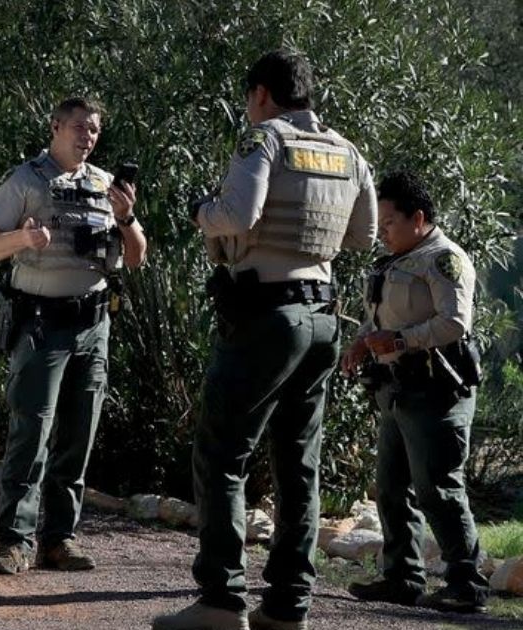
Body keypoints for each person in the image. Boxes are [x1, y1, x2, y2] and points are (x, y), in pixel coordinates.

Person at [153, 49, 377, 630]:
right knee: (299, 465)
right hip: (323, 319)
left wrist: (204, 211)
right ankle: (287, 607)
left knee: (222, 454)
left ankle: (221, 601)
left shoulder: (265, 140)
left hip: (267, 318)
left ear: (260, 94)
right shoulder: (347, 151)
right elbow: (365, 234)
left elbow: (239, 213)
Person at [0, 97, 146, 575]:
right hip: (42, 324)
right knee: (31, 432)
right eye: (78, 127)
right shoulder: (25, 181)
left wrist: (127, 218)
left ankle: (59, 539)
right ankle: (14, 541)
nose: (87, 137)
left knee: (78, 436)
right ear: (55, 127)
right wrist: (23, 239)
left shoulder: (106, 187)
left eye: (93, 130)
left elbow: (137, 257)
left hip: (93, 325)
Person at [343, 171, 491, 614]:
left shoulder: (443, 259)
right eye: (381, 223)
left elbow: (454, 322)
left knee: (438, 488)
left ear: (419, 218)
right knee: (391, 487)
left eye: (390, 222)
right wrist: (363, 341)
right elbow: (383, 315)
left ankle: (467, 584)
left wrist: (401, 340)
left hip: (436, 391)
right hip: (398, 390)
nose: (383, 232)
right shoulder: (396, 261)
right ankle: (402, 578)